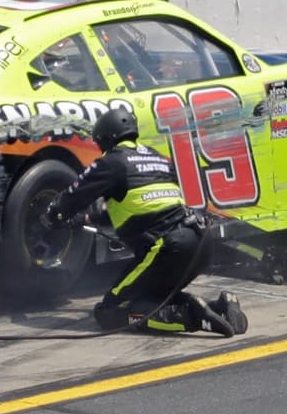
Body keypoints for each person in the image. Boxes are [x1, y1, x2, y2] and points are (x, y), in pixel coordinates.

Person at [41, 108, 249, 337]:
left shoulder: (111, 162)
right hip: (200, 241)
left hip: (169, 246)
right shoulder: (157, 159)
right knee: (150, 298)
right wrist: (85, 219)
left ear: (106, 138)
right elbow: (138, 206)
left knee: (109, 312)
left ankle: (193, 317)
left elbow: (71, 197)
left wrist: (51, 216)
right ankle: (221, 306)